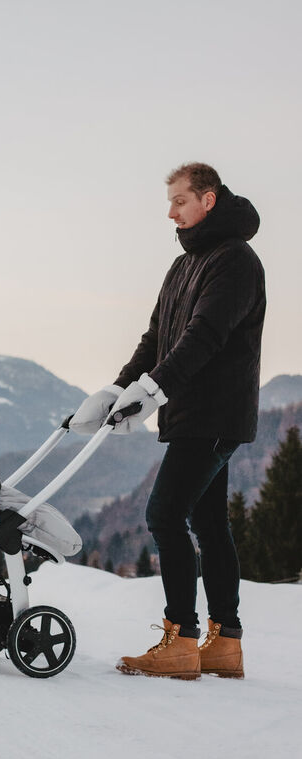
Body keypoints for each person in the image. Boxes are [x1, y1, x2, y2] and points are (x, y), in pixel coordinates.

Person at [70, 162, 266, 680]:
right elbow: (156, 337)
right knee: (206, 522)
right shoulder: (185, 266)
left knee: (164, 514)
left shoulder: (235, 261)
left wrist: (153, 391)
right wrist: (117, 388)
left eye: (180, 201)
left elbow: (205, 336)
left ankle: (180, 638)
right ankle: (225, 642)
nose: (171, 212)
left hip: (214, 412)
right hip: (193, 412)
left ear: (209, 200)